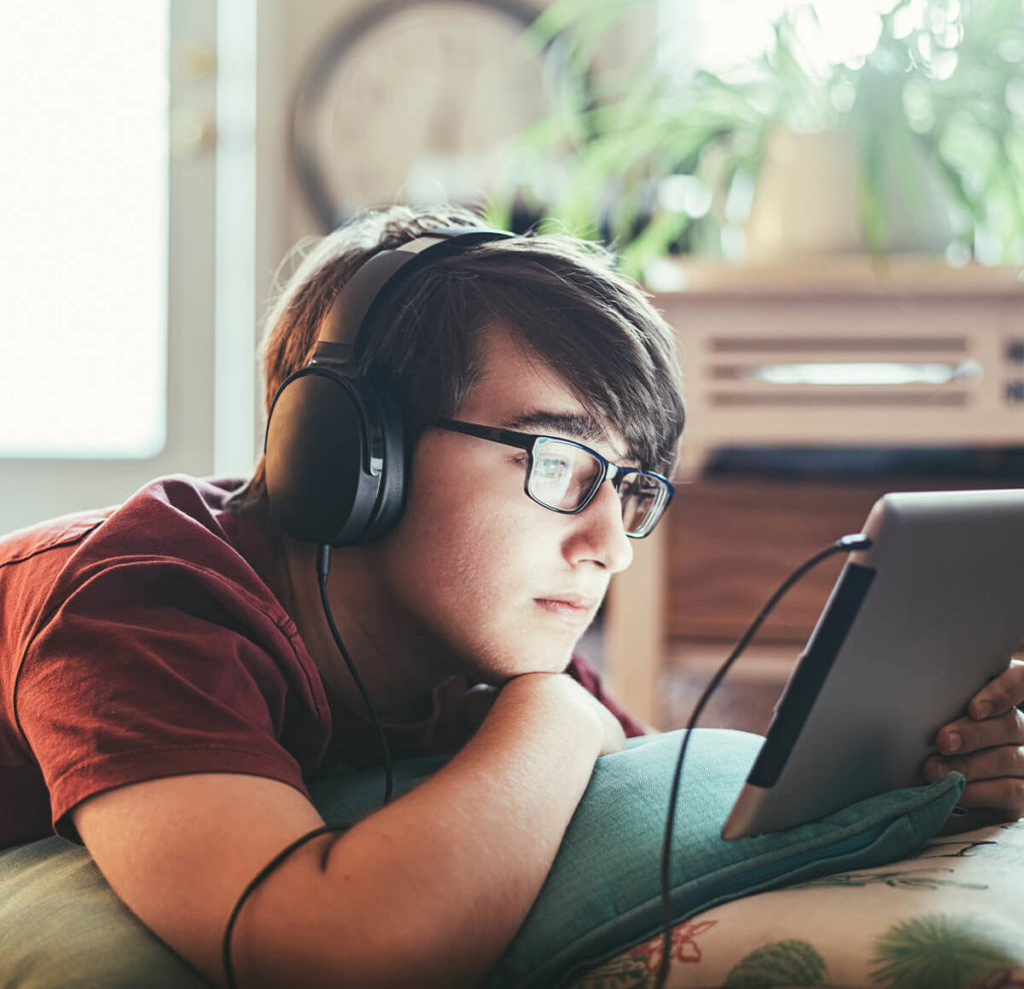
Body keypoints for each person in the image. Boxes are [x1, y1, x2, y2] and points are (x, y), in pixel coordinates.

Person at [0, 206, 1021, 989]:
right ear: (355, 451)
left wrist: (920, 782)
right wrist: (553, 713)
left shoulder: (478, 638)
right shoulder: (142, 603)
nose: (609, 547)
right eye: (561, 460)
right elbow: (330, 946)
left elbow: (636, 798)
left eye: (631, 491)